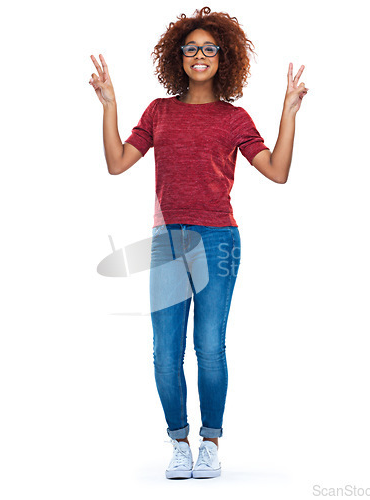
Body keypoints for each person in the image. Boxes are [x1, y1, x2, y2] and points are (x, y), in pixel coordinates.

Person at [88, 6, 309, 480]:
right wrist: (110, 105)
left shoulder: (234, 119)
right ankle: (179, 442)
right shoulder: (159, 111)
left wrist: (288, 114)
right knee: (165, 351)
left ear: (223, 56)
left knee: (209, 346)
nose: (200, 54)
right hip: (168, 242)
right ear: (178, 57)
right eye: (191, 47)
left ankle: (210, 441)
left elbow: (277, 171)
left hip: (218, 240)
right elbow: (117, 162)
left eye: (210, 47)